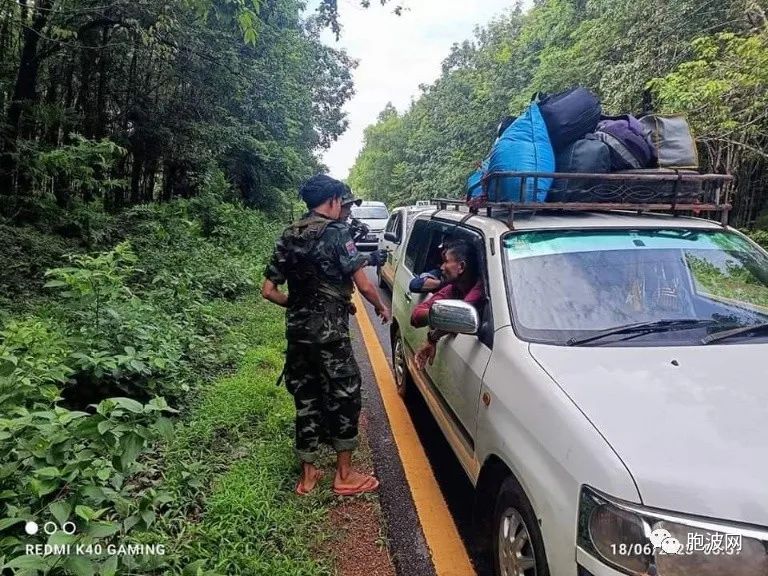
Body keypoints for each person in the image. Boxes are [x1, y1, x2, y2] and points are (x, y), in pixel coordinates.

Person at [261, 174, 391, 496]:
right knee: (345, 393)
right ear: (333, 200)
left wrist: (298, 304)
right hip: (330, 335)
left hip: (298, 335)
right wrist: (381, 308)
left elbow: (268, 290)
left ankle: (308, 475)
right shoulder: (337, 233)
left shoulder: (289, 234)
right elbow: (363, 284)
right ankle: (344, 474)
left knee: (306, 395)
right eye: (341, 202)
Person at [410, 240, 484, 369]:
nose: (442, 267)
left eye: (446, 261)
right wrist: (438, 315)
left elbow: (460, 316)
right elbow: (416, 316)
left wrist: (433, 337)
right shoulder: (452, 288)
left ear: (461, 266)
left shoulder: (481, 288)